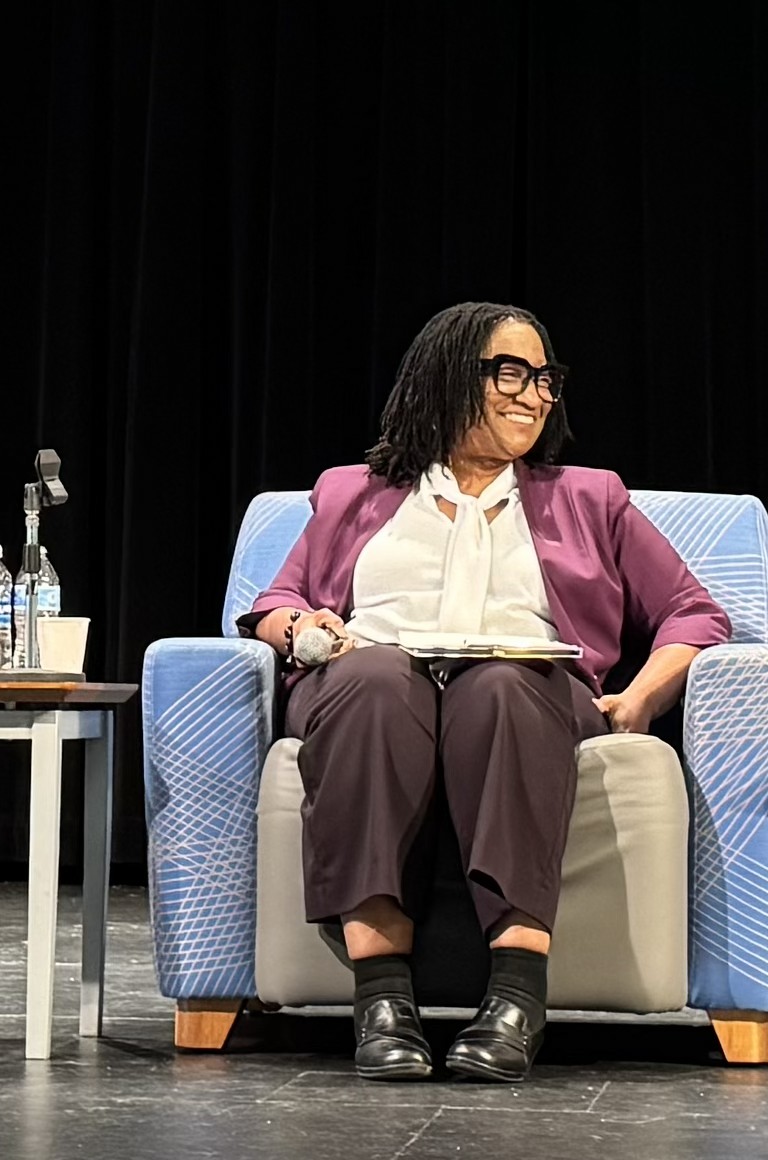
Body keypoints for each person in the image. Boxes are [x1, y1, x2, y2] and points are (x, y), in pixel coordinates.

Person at [244, 302, 732, 1083]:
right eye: (511, 371)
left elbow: (694, 612)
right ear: (446, 376)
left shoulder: (589, 497)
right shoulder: (352, 493)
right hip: (371, 680)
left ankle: (516, 994)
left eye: (545, 377)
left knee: (502, 685)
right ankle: (381, 995)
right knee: (372, 680)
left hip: (529, 691)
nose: (534, 393)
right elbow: (275, 602)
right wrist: (303, 628)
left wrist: (638, 699)